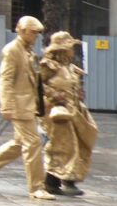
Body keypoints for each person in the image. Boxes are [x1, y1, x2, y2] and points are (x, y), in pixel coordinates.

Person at [0, 15, 54, 201]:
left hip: (28, 105)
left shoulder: (28, 51)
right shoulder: (12, 50)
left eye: (37, 33)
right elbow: (5, 79)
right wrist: (6, 105)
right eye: (33, 33)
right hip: (19, 105)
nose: (36, 36)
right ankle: (36, 187)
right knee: (33, 143)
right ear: (22, 31)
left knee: (20, 143)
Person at [40, 31, 98, 196]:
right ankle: (52, 181)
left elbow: (73, 85)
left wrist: (78, 93)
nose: (72, 51)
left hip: (73, 110)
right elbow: (38, 85)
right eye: (70, 47)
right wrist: (54, 95)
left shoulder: (70, 67)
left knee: (78, 143)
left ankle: (68, 179)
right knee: (62, 146)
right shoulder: (49, 65)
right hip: (56, 111)